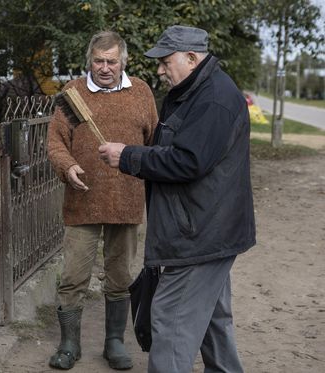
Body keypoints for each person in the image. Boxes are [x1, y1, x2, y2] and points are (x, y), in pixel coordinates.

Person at [98, 25, 256, 373]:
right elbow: (170, 149)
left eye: (165, 61)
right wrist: (133, 154)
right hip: (204, 229)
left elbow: (188, 161)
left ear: (191, 57)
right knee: (214, 324)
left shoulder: (214, 98)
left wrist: (129, 157)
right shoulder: (190, 91)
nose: (159, 69)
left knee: (169, 324)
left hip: (199, 235)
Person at [47, 31, 157, 370]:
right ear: (89, 61)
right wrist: (68, 167)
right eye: (98, 60)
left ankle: (114, 343)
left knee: (119, 275)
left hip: (126, 200)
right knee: (73, 276)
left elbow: (154, 142)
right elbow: (54, 142)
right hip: (82, 202)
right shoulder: (73, 94)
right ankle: (70, 343)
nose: (105, 67)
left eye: (111, 61)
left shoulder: (140, 92)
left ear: (123, 61)